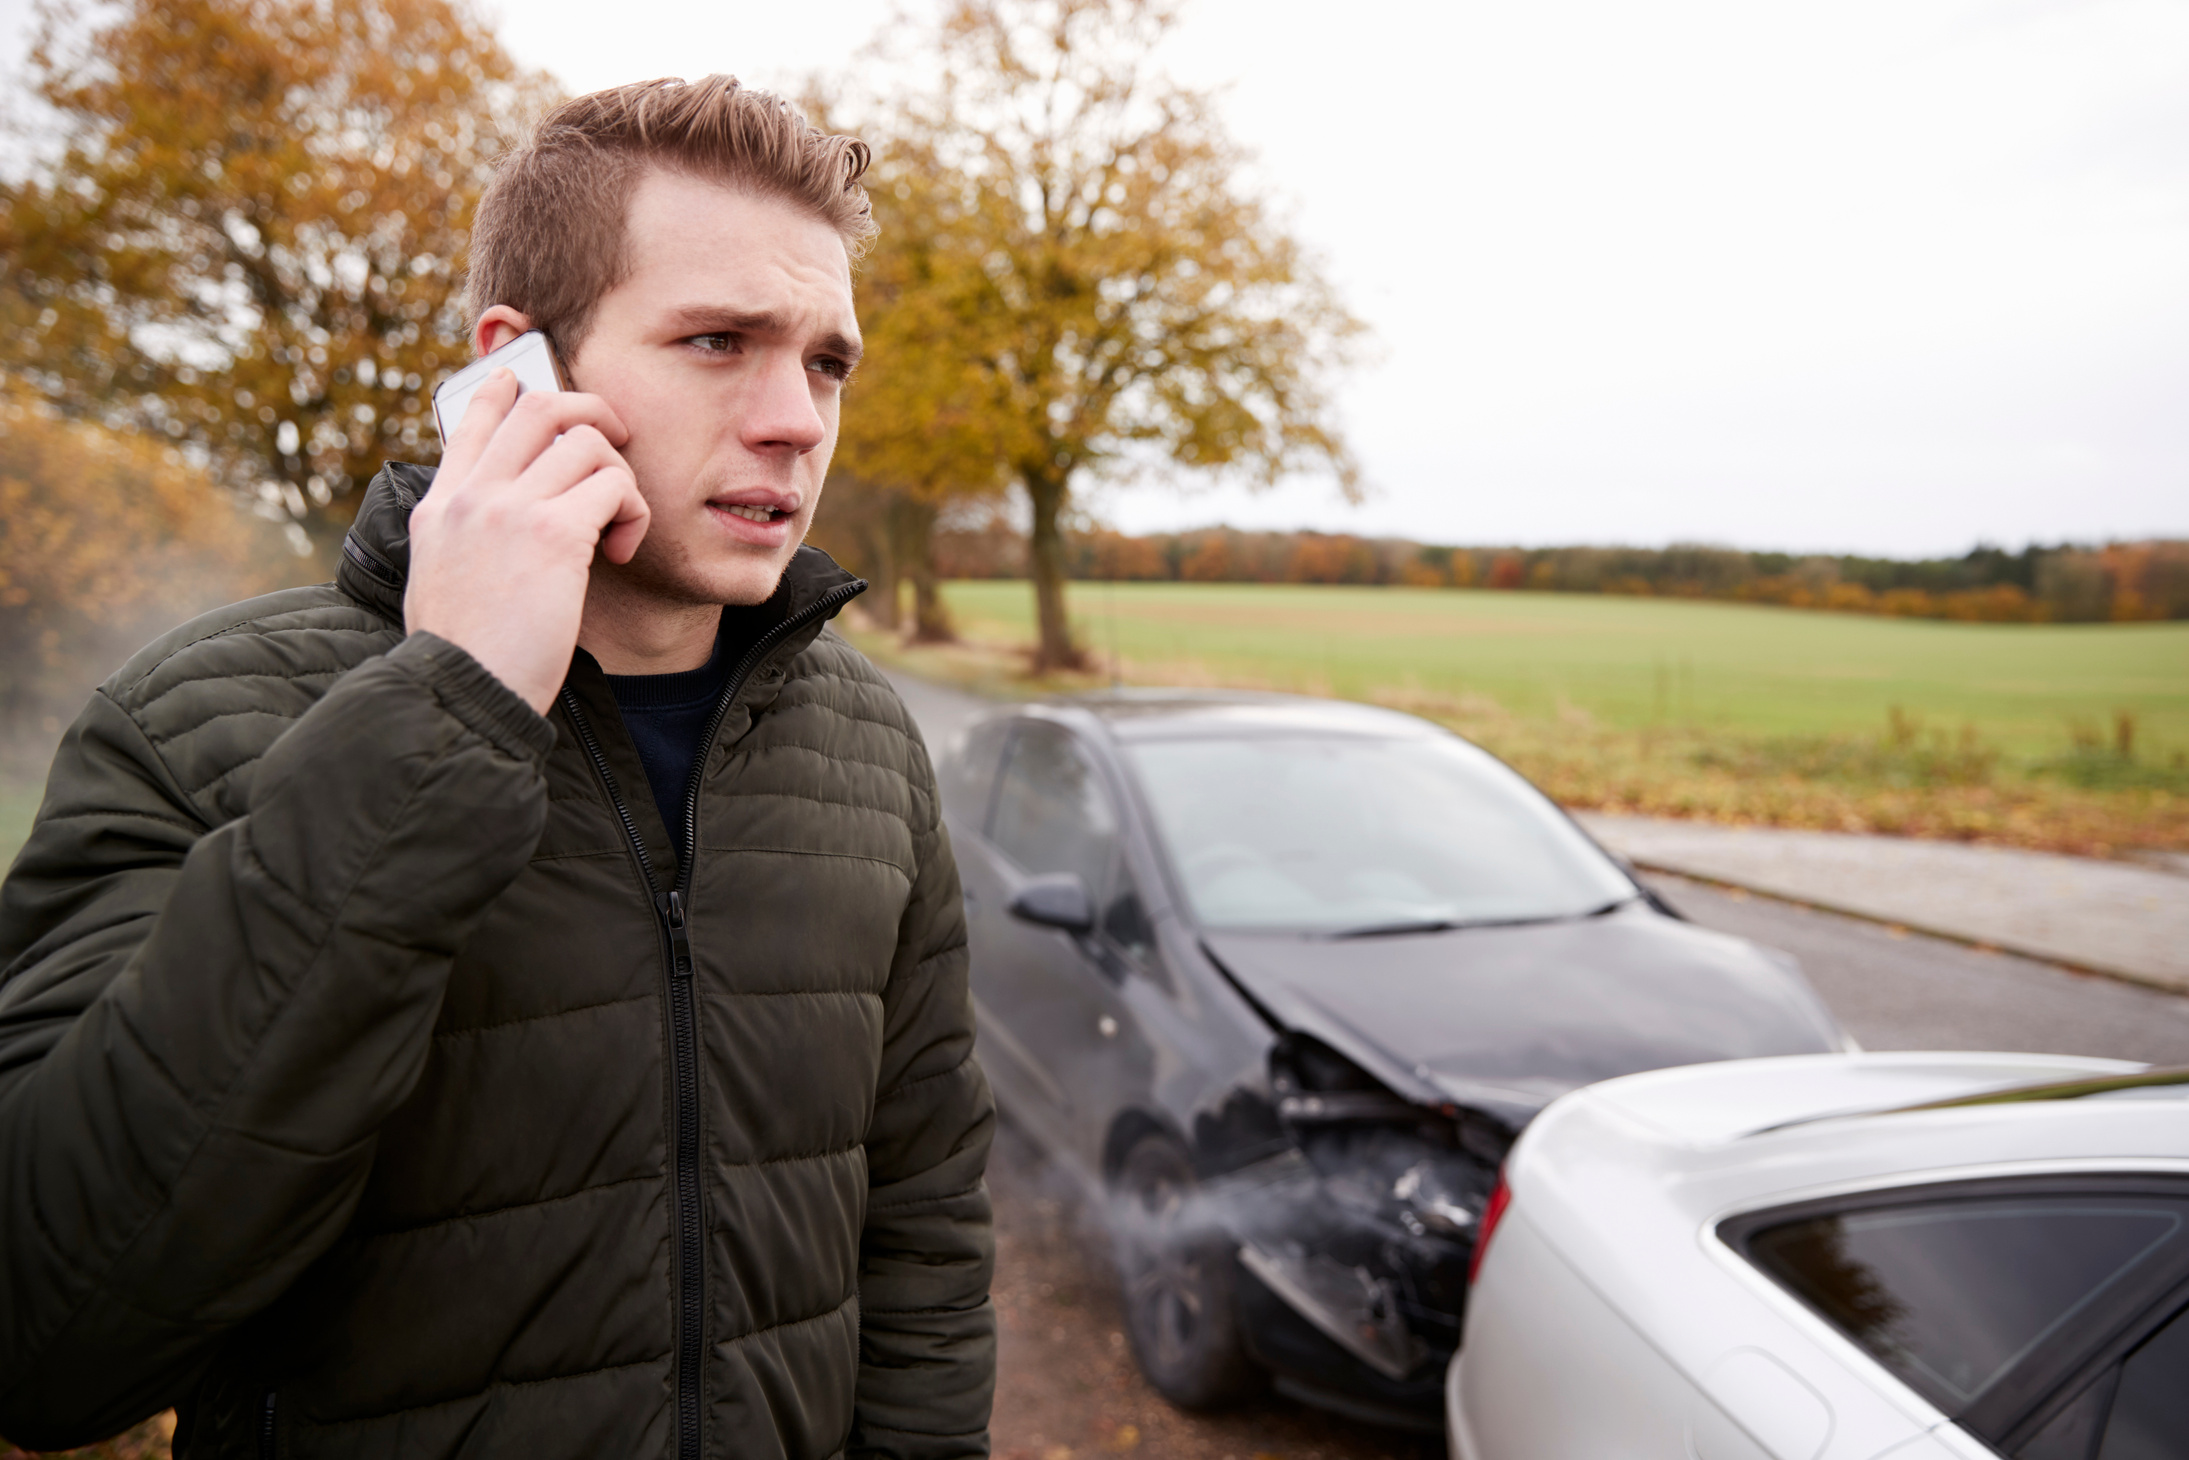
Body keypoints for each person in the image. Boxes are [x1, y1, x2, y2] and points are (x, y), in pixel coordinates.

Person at [0, 76, 995, 1460]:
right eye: (718, 341)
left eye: (828, 361)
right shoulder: (192, 720)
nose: (796, 419)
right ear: (514, 368)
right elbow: (49, 1338)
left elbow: (926, 1230)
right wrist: (446, 710)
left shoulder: (867, 745)